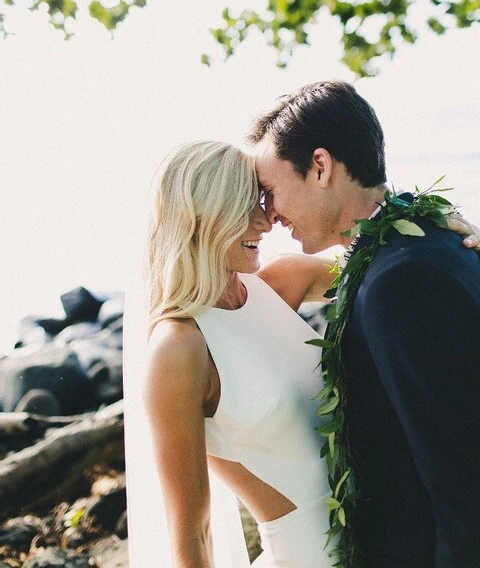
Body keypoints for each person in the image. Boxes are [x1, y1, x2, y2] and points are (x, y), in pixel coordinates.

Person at [137, 136, 479, 568]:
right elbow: (191, 534)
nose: (266, 221)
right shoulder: (178, 348)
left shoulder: (280, 283)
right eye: (247, 206)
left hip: (382, 543)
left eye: (263, 201)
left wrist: (447, 230)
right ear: (201, 216)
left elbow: (391, 260)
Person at [248, 79, 480, 568]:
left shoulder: (403, 279)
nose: (269, 214)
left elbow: (463, 481)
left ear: (320, 166)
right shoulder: (412, 248)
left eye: (270, 191)